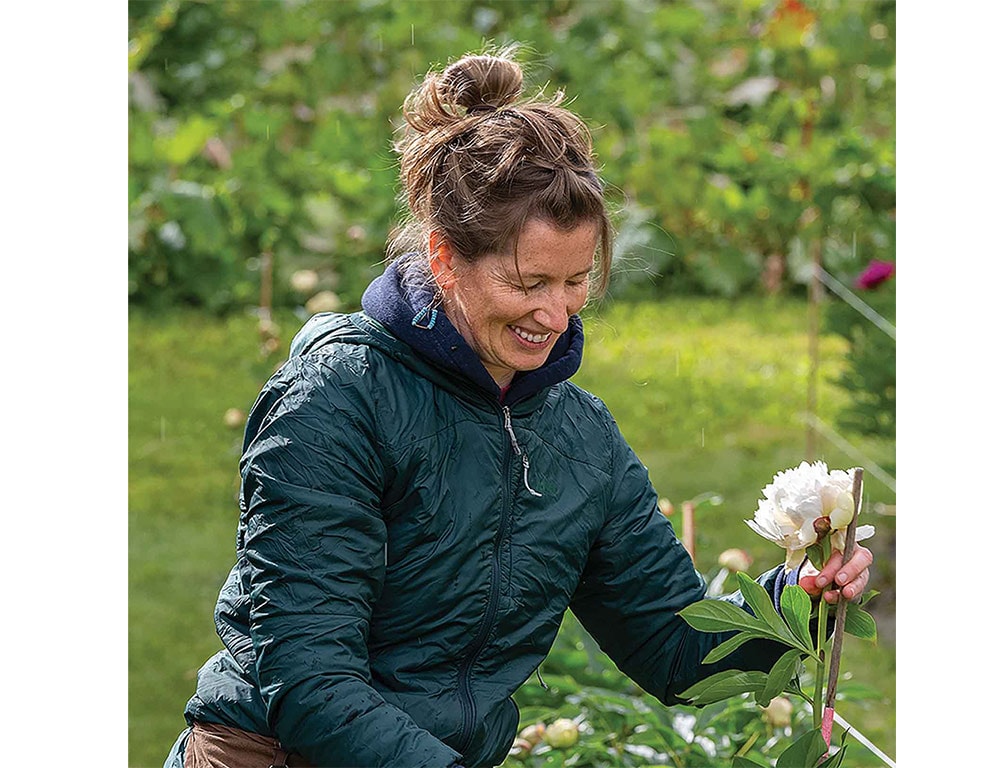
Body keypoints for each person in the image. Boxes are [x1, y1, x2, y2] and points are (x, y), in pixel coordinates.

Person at [163, 48, 873, 768]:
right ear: (444, 257)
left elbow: (678, 653)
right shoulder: (336, 402)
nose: (555, 313)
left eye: (574, 281)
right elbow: (312, 685)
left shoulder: (579, 437)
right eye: (528, 280)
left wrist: (801, 597)